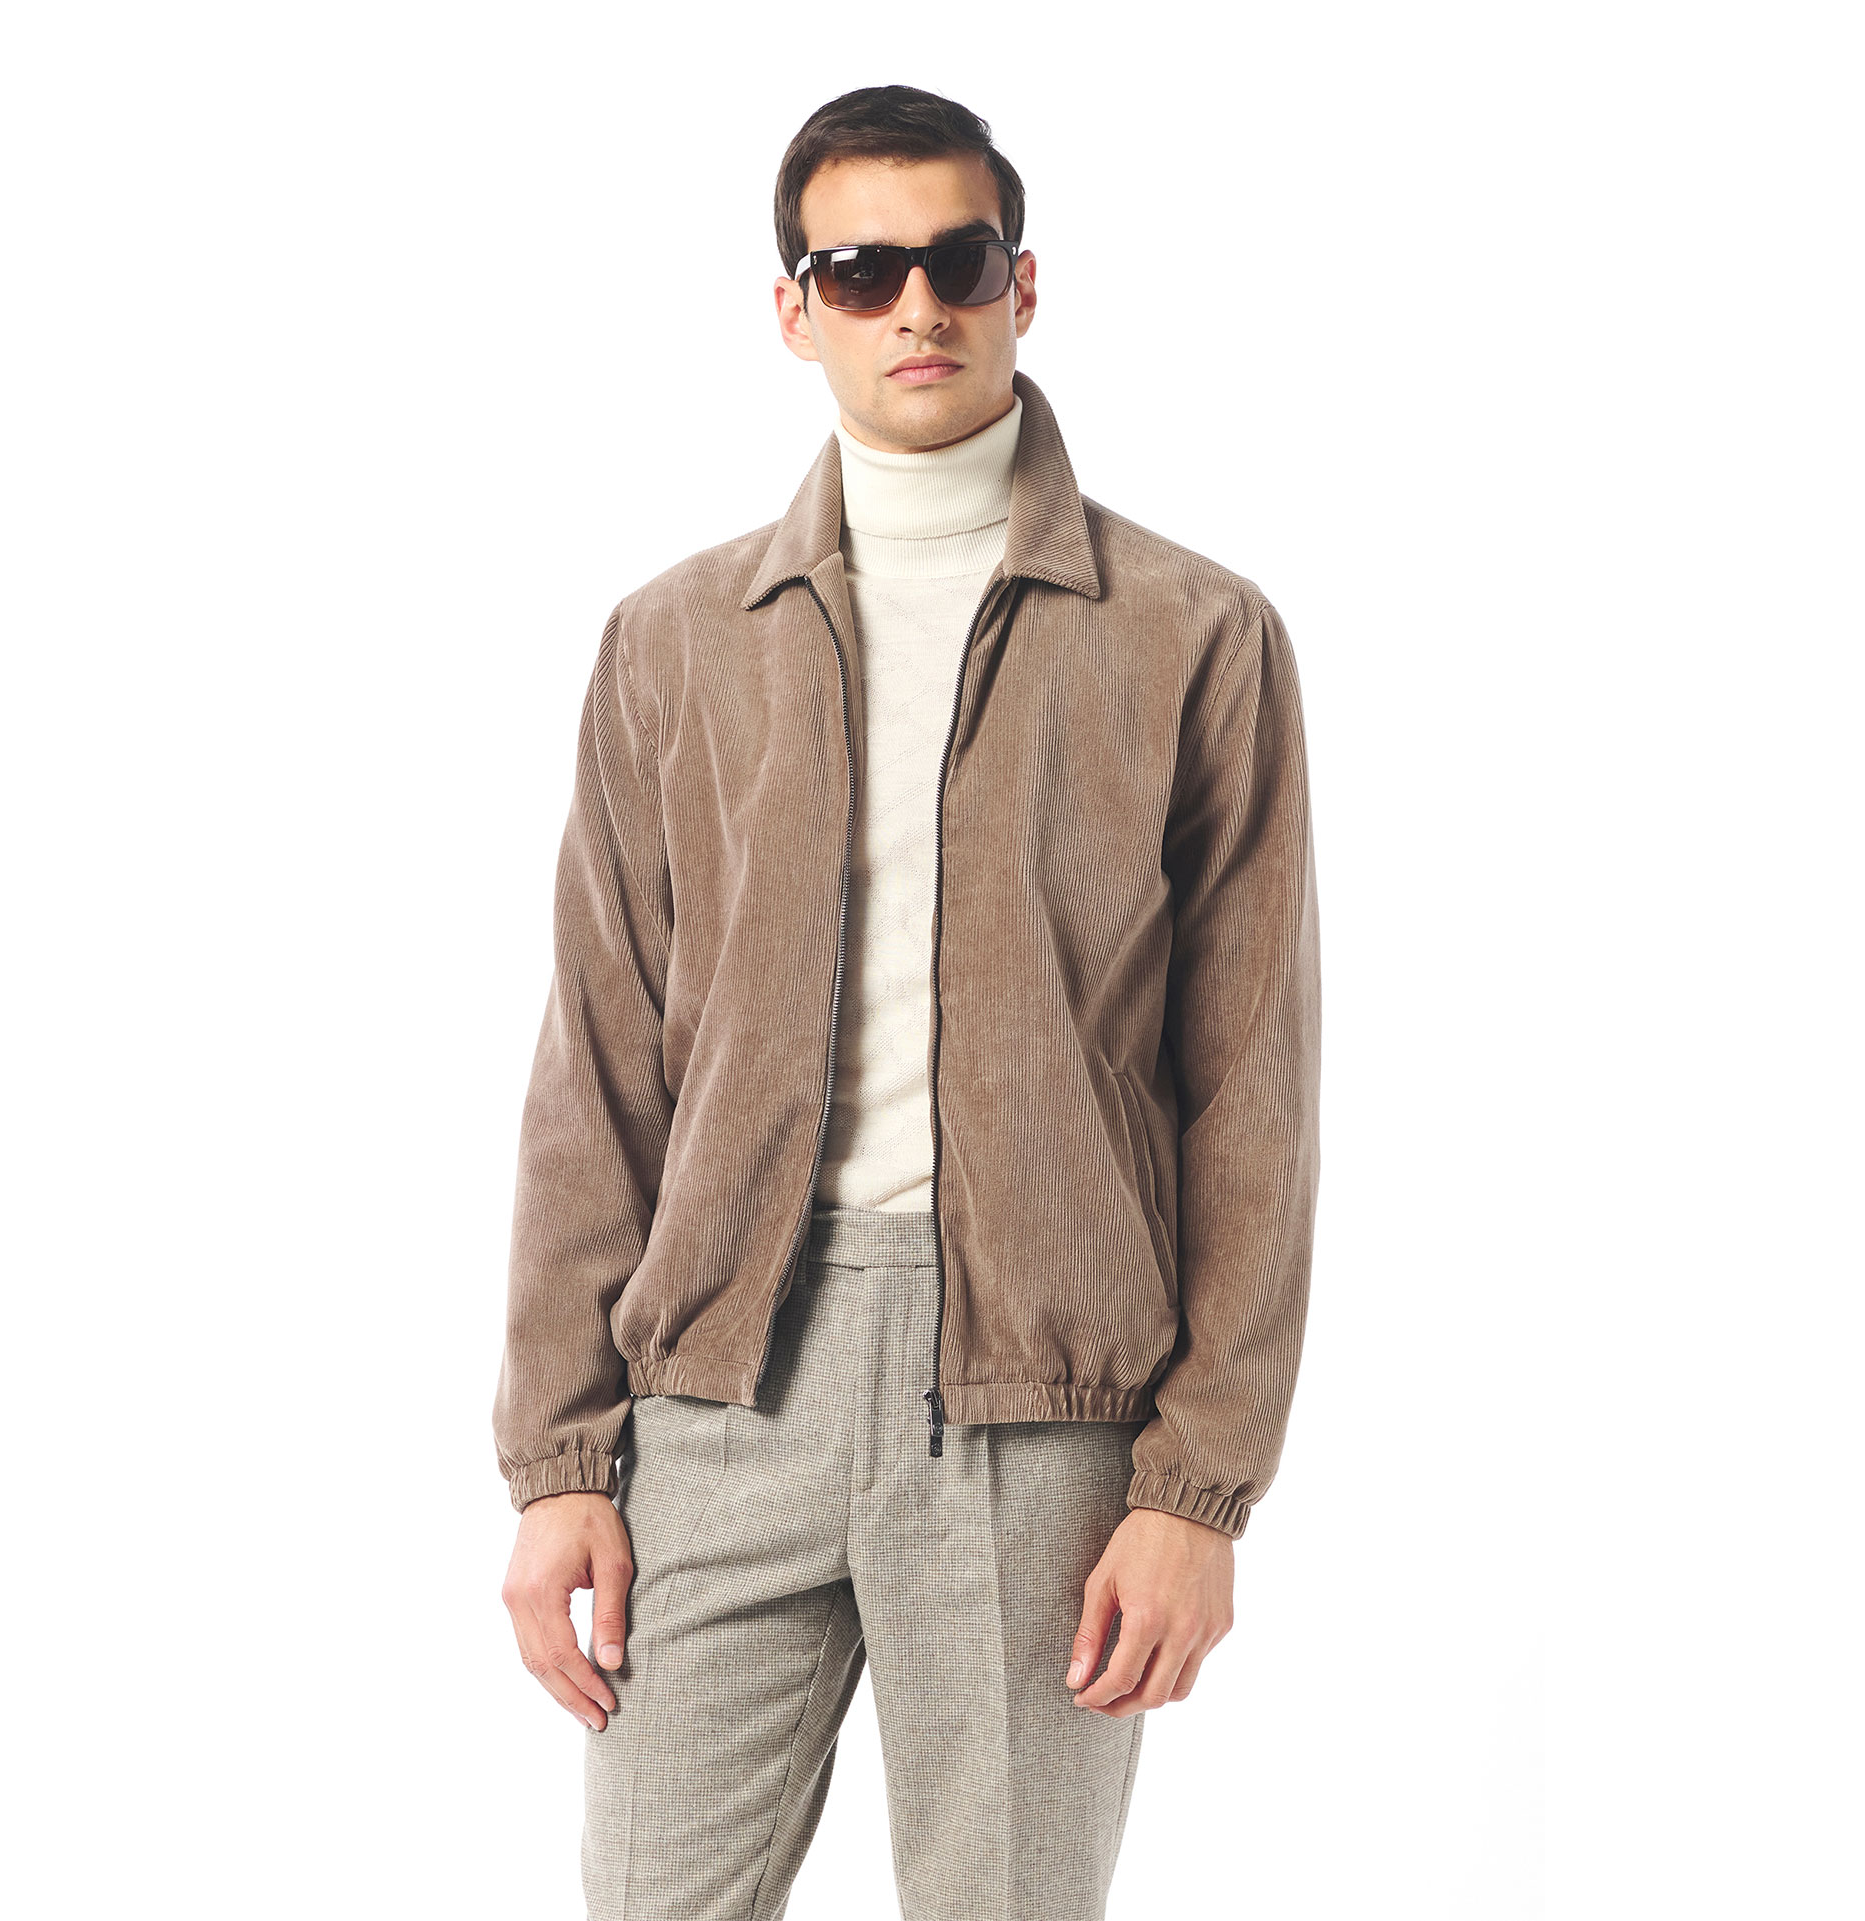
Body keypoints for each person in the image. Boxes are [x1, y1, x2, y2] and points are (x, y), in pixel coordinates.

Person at [494, 82, 1321, 1921]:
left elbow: (1252, 1093)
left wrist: (1197, 1490)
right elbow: (598, 1069)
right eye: (862, 272)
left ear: (1023, 283)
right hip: (719, 1389)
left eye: (956, 260)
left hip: (1043, 1403)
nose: (917, 307)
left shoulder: (1192, 633)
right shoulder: (674, 641)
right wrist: (559, 1456)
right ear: (796, 311)